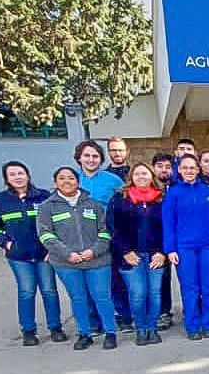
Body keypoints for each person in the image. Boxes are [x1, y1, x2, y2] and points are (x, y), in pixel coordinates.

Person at [0, 161, 66, 346]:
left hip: (44, 255)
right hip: (18, 257)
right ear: (6, 179)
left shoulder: (44, 197)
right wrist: (5, 243)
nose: (18, 177)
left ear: (28, 175)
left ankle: (56, 328)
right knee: (27, 291)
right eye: (12, 174)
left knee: (49, 291)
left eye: (21, 173)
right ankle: (28, 331)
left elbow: (57, 224)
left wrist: (52, 249)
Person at [37, 167, 117, 351]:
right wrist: (67, 254)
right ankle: (84, 333)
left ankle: (111, 332)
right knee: (78, 298)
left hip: (97, 261)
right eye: (62, 178)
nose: (67, 181)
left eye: (71, 178)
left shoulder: (93, 204)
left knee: (102, 297)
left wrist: (93, 251)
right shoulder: (47, 207)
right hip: (67, 263)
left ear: (78, 181)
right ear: (55, 182)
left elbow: (105, 232)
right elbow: (46, 235)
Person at [162, 153, 209, 340]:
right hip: (184, 247)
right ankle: (192, 326)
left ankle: (208, 324)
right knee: (189, 287)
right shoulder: (173, 194)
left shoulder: (207, 192)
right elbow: (168, 223)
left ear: (198, 170)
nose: (189, 171)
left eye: (192, 168)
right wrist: (170, 249)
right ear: (179, 169)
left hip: (208, 246)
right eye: (185, 167)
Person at [107, 162, 167, 346]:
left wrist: (162, 252)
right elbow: (111, 227)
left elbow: (169, 227)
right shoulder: (119, 198)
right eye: (138, 174)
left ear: (152, 176)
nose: (142, 177)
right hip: (130, 255)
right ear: (131, 177)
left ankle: (152, 328)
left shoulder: (162, 198)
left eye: (145, 173)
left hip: (156, 255)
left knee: (155, 293)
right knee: (138, 293)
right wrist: (124, 251)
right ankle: (141, 329)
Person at [74, 140, 128, 335]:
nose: (91, 159)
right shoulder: (73, 179)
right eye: (87, 155)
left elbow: (125, 203)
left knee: (115, 279)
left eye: (95, 156)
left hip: (109, 237)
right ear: (79, 158)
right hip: (81, 239)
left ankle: (123, 316)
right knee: (88, 282)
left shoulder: (113, 180)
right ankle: (94, 321)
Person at [150, 153, 175, 330]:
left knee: (166, 278)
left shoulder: (175, 187)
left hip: (175, 239)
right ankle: (158, 313)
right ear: (153, 168)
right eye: (160, 166)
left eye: (167, 166)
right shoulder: (148, 188)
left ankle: (165, 310)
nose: (164, 170)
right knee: (155, 280)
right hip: (154, 241)